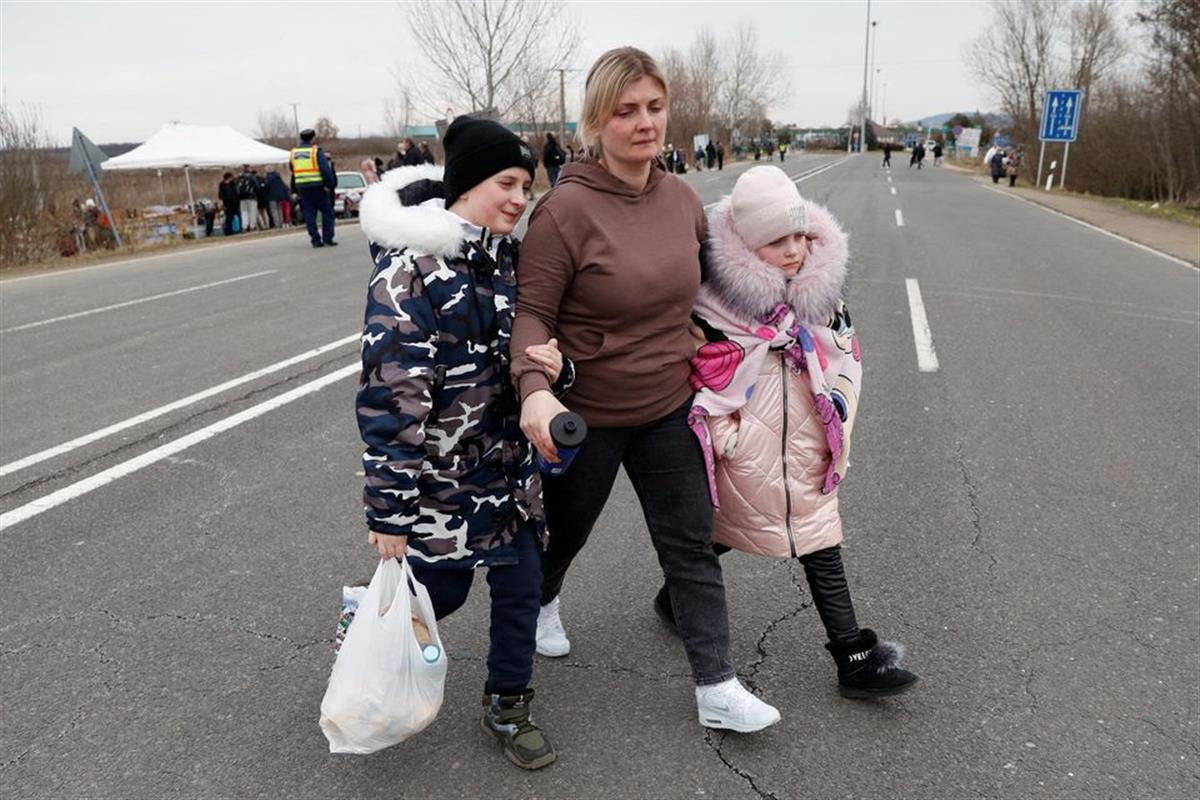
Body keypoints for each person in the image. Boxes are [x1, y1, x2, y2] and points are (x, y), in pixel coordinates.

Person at [512, 46, 782, 734]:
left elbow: (714, 294)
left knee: (689, 543)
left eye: (654, 108)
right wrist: (534, 392)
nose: (644, 123)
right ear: (596, 121)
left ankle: (717, 685)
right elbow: (532, 315)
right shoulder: (563, 213)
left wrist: (797, 304)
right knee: (564, 533)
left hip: (669, 407)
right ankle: (542, 600)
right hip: (590, 414)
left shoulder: (683, 199)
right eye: (626, 110)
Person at [356, 116, 572, 770]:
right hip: (439, 490)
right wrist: (390, 514)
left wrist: (561, 373)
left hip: (509, 480)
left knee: (521, 589)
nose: (519, 197)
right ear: (468, 184)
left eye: (526, 186)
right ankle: (367, 641)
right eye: (506, 182)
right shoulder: (410, 275)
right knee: (437, 596)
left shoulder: (514, 262)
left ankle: (509, 703)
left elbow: (536, 358)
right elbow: (391, 399)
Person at [675, 165, 920, 698]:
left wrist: (839, 412)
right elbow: (699, 369)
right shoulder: (710, 301)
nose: (792, 251)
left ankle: (852, 657)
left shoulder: (822, 295)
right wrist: (726, 434)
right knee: (733, 528)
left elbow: (846, 355)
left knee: (815, 534)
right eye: (775, 241)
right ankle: (676, 597)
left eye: (798, 237)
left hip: (809, 435)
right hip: (748, 440)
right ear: (745, 244)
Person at [290, 128, 337, 247]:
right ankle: (327, 237)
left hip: (303, 188)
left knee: (309, 214)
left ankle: (315, 239)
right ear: (313, 138)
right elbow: (325, 170)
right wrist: (329, 184)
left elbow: (292, 169)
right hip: (318, 187)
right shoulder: (315, 152)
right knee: (327, 212)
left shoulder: (294, 153)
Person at [236, 164, 260, 231]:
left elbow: (236, 188)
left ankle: (244, 227)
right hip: (251, 197)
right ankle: (252, 226)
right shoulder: (252, 177)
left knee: (244, 213)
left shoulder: (240, 177)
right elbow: (257, 187)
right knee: (252, 212)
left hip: (242, 198)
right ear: (249, 168)